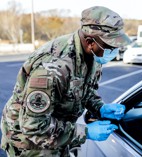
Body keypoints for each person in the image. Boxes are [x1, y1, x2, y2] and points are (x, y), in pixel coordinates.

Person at [1, 6, 130, 157]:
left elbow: (83, 90)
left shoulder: (93, 55)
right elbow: (34, 127)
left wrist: (100, 107)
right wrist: (86, 132)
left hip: (57, 131)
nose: (115, 52)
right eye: (111, 47)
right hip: (30, 143)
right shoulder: (52, 68)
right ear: (90, 42)